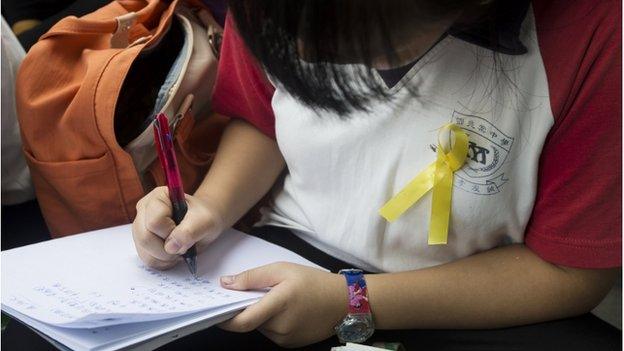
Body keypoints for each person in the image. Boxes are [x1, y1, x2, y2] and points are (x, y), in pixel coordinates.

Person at [132, 0, 621, 349]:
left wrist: (354, 300)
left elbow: (570, 272)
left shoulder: (596, 35)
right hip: (291, 259)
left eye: (338, 51)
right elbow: (262, 119)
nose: (302, 52)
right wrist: (211, 207)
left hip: (482, 295)